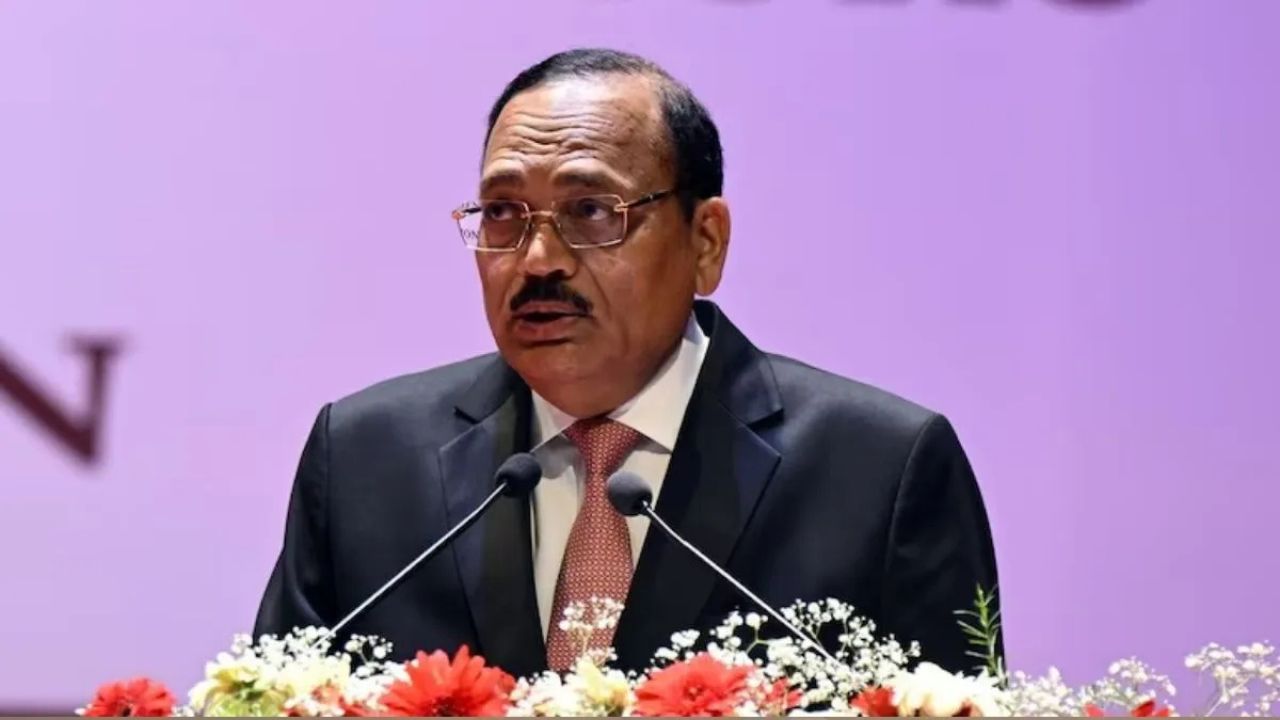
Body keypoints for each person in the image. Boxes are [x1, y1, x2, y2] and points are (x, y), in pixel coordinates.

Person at [254, 47, 1002, 678]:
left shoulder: (880, 471)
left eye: (591, 212)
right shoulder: (365, 459)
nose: (538, 260)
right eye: (504, 214)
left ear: (705, 242)